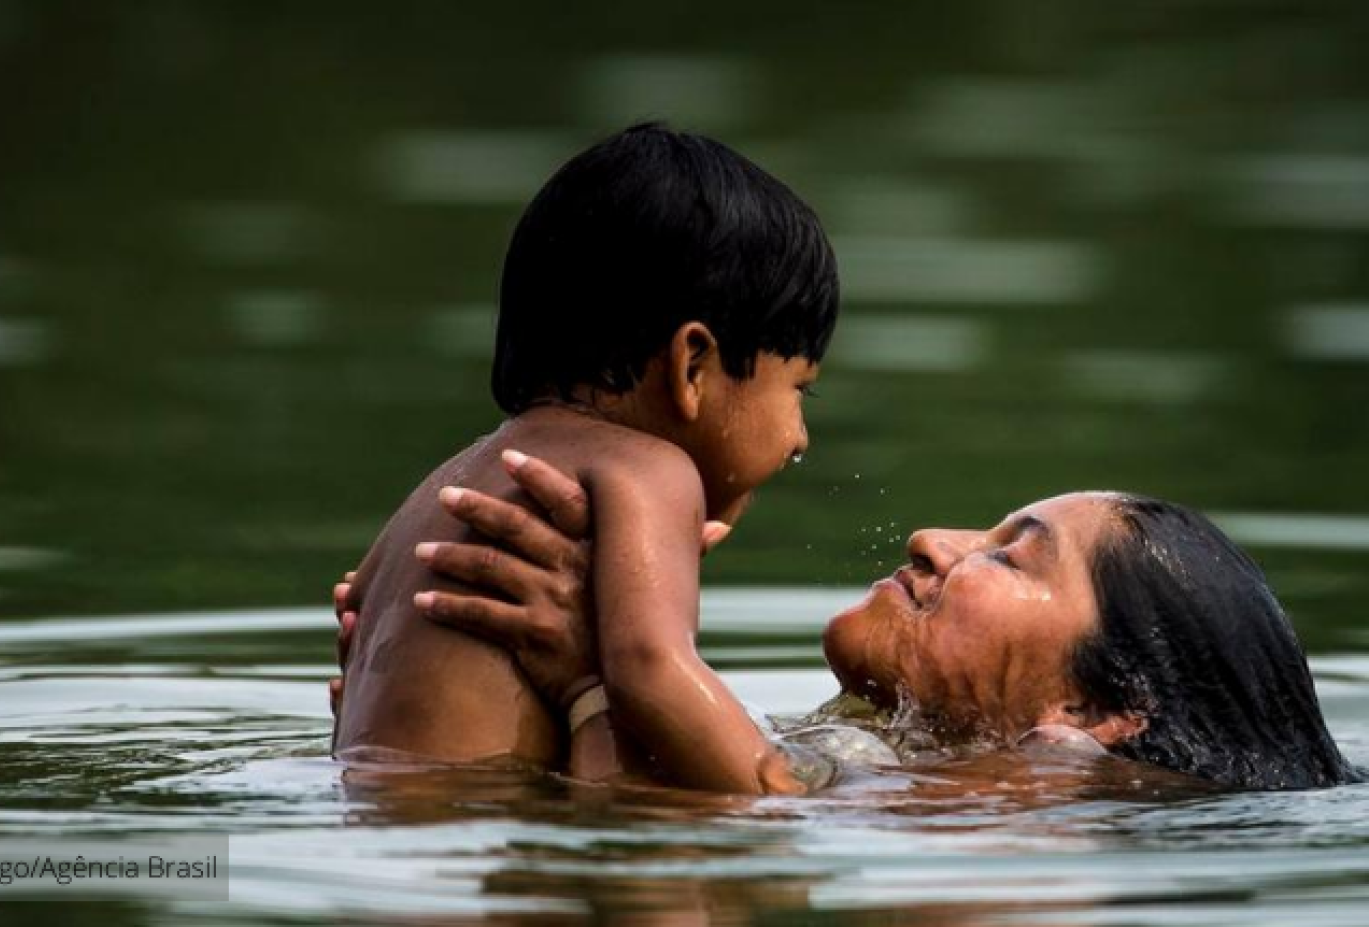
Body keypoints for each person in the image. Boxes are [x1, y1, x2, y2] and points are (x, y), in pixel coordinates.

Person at [336, 455, 1360, 792]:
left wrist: (592, 679)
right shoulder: (911, 774)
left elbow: (657, 861)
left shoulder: (1015, 827)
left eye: (1011, 554)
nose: (931, 539)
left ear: (1094, 707)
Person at [332, 123, 841, 794]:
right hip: (487, 845)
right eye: (798, 389)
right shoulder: (651, 470)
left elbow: (358, 651)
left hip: (372, 836)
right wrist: (776, 787)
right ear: (693, 365)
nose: (800, 436)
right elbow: (649, 668)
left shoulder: (441, 487)